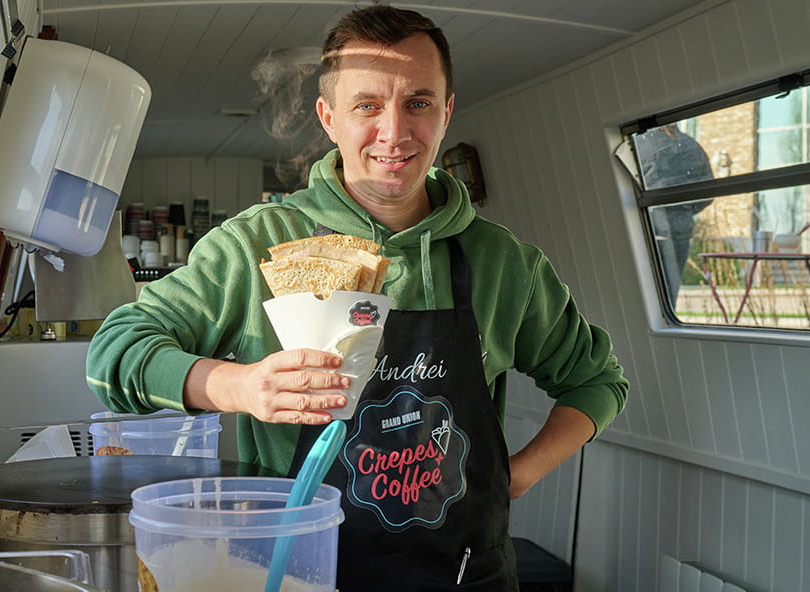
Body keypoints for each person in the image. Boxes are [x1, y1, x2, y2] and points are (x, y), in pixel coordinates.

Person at [87, 5, 628, 589]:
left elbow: (597, 382)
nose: (394, 133)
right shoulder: (255, 248)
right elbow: (112, 354)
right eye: (367, 105)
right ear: (329, 118)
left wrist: (516, 474)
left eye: (418, 102)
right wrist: (238, 387)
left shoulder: (504, 264)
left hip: (470, 575)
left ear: (446, 113)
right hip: (299, 574)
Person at [634, 123, 714, 306]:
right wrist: (685, 209)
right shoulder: (691, 145)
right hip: (680, 228)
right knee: (668, 295)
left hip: (646, 226)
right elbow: (708, 191)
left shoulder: (639, 145)